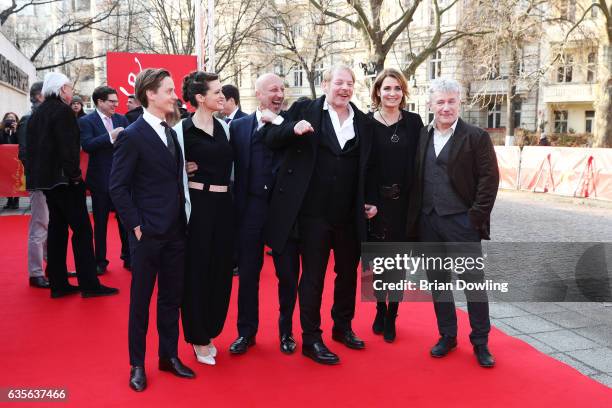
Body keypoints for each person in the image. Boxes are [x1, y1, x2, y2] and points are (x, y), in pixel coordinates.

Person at [264, 65, 373, 365]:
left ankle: (342, 327)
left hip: (349, 215)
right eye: (339, 82)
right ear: (325, 84)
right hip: (313, 215)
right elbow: (272, 138)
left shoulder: (363, 122)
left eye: (350, 83)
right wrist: (292, 128)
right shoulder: (304, 109)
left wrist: (372, 201)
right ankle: (311, 338)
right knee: (313, 278)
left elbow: (370, 167)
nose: (345, 88)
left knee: (347, 275)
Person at [110, 68, 195, 391]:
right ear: (151, 94)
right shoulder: (132, 135)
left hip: (175, 231)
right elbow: (117, 187)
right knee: (141, 303)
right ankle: (137, 365)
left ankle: (168, 356)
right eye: (170, 91)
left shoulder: (171, 133)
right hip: (147, 233)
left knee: (171, 298)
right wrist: (136, 225)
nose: (175, 96)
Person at [406, 78, 499, 368]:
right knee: (438, 283)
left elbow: (489, 179)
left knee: (473, 285)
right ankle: (447, 335)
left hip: (462, 223)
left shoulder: (476, 136)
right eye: (440, 102)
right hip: (429, 222)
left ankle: (481, 342)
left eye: (451, 101)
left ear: (460, 103)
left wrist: (474, 218)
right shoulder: (422, 135)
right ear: (430, 105)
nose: (446, 107)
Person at [26, 72, 119, 299]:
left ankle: (59, 284)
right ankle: (89, 284)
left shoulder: (37, 114)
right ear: (60, 90)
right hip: (65, 181)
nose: (71, 91)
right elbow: (68, 150)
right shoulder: (63, 112)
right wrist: (76, 177)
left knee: (57, 231)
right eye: (68, 87)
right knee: (83, 232)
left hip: (46, 183)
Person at [228, 73, 299, 356]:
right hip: (251, 210)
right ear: (258, 94)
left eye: (282, 89)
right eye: (273, 89)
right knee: (248, 275)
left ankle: (286, 332)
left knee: (288, 275)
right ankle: (246, 333)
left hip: (284, 212)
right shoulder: (239, 127)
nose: (279, 94)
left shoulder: (292, 126)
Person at [177, 71, 234, 366]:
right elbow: (165, 168)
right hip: (197, 205)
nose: (222, 97)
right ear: (200, 98)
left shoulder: (225, 128)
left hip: (224, 205)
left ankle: (211, 330)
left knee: (221, 270)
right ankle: (198, 337)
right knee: (197, 271)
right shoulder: (181, 130)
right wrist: (179, 171)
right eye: (217, 92)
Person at [365, 68, 423, 343]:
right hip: (377, 206)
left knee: (398, 266)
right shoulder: (366, 123)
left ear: (404, 92)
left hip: (404, 205)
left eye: (397, 88)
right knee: (378, 264)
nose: (392, 93)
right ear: (378, 92)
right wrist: (369, 202)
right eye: (387, 88)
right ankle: (379, 307)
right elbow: (362, 168)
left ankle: (392, 315)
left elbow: (421, 164)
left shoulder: (414, 122)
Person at [79, 86, 130, 273]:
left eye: (117, 101)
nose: (116, 105)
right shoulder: (86, 121)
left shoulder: (121, 119)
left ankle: (129, 257)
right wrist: (110, 136)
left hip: (122, 179)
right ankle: (100, 261)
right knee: (100, 224)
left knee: (126, 221)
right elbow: (87, 145)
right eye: (112, 101)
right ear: (100, 102)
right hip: (100, 181)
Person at [17, 82, 50, 288]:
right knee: (39, 225)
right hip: (40, 182)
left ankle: (51, 266)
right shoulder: (28, 120)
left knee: (51, 225)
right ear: (39, 96)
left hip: (53, 182)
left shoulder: (47, 118)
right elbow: (24, 153)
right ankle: (35, 273)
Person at [1, 112, 20, 209]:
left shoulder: (19, 129)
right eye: (8, 118)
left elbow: (20, 141)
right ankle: (9, 199)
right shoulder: (1, 130)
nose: (10, 120)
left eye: (13, 118)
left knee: (17, 179)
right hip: (5, 159)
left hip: (16, 159)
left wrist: (16, 130)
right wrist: (4, 131)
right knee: (6, 178)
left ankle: (16, 200)